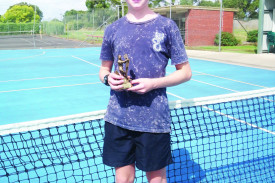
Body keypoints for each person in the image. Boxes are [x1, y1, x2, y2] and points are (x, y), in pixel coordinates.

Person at [99, 0, 192, 182]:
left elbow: (186, 72)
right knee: (122, 179)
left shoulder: (167, 26)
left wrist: (153, 84)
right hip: (118, 118)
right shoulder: (112, 29)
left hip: (154, 120)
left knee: (157, 179)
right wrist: (107, 78)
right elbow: (103, 69)